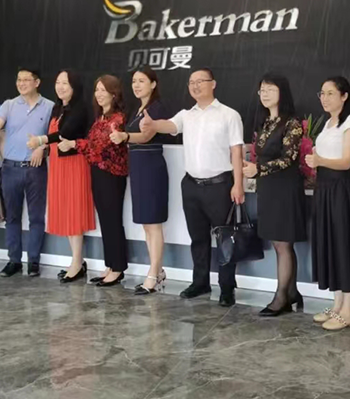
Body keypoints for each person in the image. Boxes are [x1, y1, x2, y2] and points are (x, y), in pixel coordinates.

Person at [141, 68, 245, 307]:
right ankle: (200, 282)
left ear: (213, 84)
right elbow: (169, 125)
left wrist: (238, 184)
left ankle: (227, 288)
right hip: (191, 185)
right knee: (197, 238)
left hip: (220, 185)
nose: (196, 86)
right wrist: (153, 124)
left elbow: (236, 152)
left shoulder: (229, 115)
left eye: (201, 81)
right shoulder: (186, 115)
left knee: (225, 240)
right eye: (191, 82)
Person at [306, 77, 350, 330]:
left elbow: (346, 162)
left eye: (330, 93)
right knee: (331, 245)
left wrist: (319, 161)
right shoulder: (327, 123)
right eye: (322, 93)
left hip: (341, 190)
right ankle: (336, 306)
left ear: (344, 96)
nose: (324, 98)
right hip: (324, 189)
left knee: (344, 246)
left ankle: (348, 311)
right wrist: (317, 160)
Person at [0, 68, 53, 278]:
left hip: (36, 169)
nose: (21, 83)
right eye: (18, 79)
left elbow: (54, 135)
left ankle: (33, 261)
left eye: (26, 80)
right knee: (12, 217)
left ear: (37, 82)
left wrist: (42, 147)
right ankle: (14, 261)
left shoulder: (49, 107)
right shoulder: (9, 105)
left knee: (36, 217)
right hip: (10, 168)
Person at [242, 73, 306, 316]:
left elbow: (289, 158)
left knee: (282, 243)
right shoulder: (265, 122)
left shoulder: (292, 122)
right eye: (262, 90)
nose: (265, 94)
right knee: (280, 242)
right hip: (267, 189)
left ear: (282, 92)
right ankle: (292, 292)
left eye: (270, 89)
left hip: (285, 189)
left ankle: (281, 298)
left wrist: (258, 169)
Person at [59, 75, 129, 287]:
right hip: (98, 173)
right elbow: (92, 144)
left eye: (103, 90)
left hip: (112, 175)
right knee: (106, 221)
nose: (98, 94)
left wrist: (74, 144)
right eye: (97, 90)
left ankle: (117, 268)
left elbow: (99, 147)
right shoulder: (101, 118)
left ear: (114, 94)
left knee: (113, 221)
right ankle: (110, 265)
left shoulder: (117, 118)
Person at [28, 70, 94, 283]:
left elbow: (66, 132)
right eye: (58, 82)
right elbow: (56, 137)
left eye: (65, 83)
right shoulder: (58, 108)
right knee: (66, 212)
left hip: (74, 165)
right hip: (58, 165)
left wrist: (41, 140)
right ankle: (77, 260)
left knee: (74, 213)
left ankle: (77, 263)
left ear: (75, 86)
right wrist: (45, 146)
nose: (60, 86)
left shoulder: (81, 108)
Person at [110, 66, 169, 295]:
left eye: (142, 81)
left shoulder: (156, 108)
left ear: (153, 84)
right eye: (134, 81)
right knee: (146, 223)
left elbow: (146, 136)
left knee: (153, 223)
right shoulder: (138, 109)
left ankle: (153, 274)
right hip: (138, 168)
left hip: (151, 168)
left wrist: (125, 136)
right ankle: (157, 270)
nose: (136, 85)